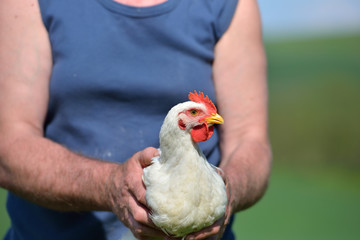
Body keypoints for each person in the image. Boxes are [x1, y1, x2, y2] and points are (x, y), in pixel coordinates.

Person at [0, 0, 271, 239]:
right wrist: (108, 186)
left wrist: (222, 194)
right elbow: (8, 146)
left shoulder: (229, 4)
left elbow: (250, 140)